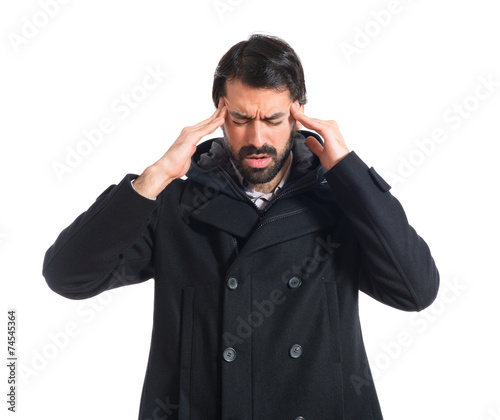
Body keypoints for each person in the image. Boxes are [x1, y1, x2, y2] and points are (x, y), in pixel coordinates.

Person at [42, 34, 439, 420]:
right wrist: (156, 176)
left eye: (273, 119)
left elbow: (416, 291)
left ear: (298, 113)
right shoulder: (176, 206)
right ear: (220, 114)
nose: (257, 138)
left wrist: (350, 174)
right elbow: (67, 276)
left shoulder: (339, 203)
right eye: (241, 119)